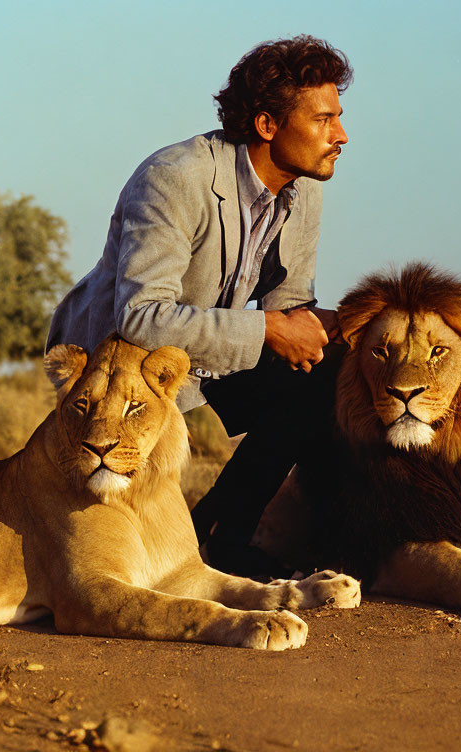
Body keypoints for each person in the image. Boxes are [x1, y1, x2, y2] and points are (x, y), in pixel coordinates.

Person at [47, 35, 353, 576]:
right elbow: (140, 317)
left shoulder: (305, 191)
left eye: (339, 118)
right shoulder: (176, 177)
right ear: (266, 125)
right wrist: (269, 331)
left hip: (205, 349)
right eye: (324, 120)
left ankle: (221, 534)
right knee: (113, 548)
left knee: (327, 376)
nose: (341, 136)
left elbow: (288, 304)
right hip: (119, 361)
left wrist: (337, 326)